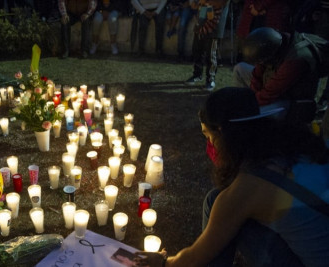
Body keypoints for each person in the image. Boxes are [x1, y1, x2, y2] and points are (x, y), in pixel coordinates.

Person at [134, 87, 329, 267]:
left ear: (221, 133)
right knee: (218, 199)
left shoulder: (248, 189)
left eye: (208, 136)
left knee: (216, 204)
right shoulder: (297, 147)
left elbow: (195, 258)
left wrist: (164, 262)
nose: (210, 144)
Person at [232, 27, 322, 122]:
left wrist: (248, 106)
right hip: (275, 89)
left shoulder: (295, 60)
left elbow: (269, 93)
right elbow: (258, 74)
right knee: (240, 68)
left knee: (253, 115)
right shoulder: (275, 44)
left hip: (293, 101)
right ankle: (241, 101)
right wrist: (250, 96)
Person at [183, 0, 229, 91]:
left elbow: (221, 2)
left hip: (215, 20)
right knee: (197, 49)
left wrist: (204, 1)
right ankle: (197, 74)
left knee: (210, 53)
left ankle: (210, 79)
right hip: (203, 15)